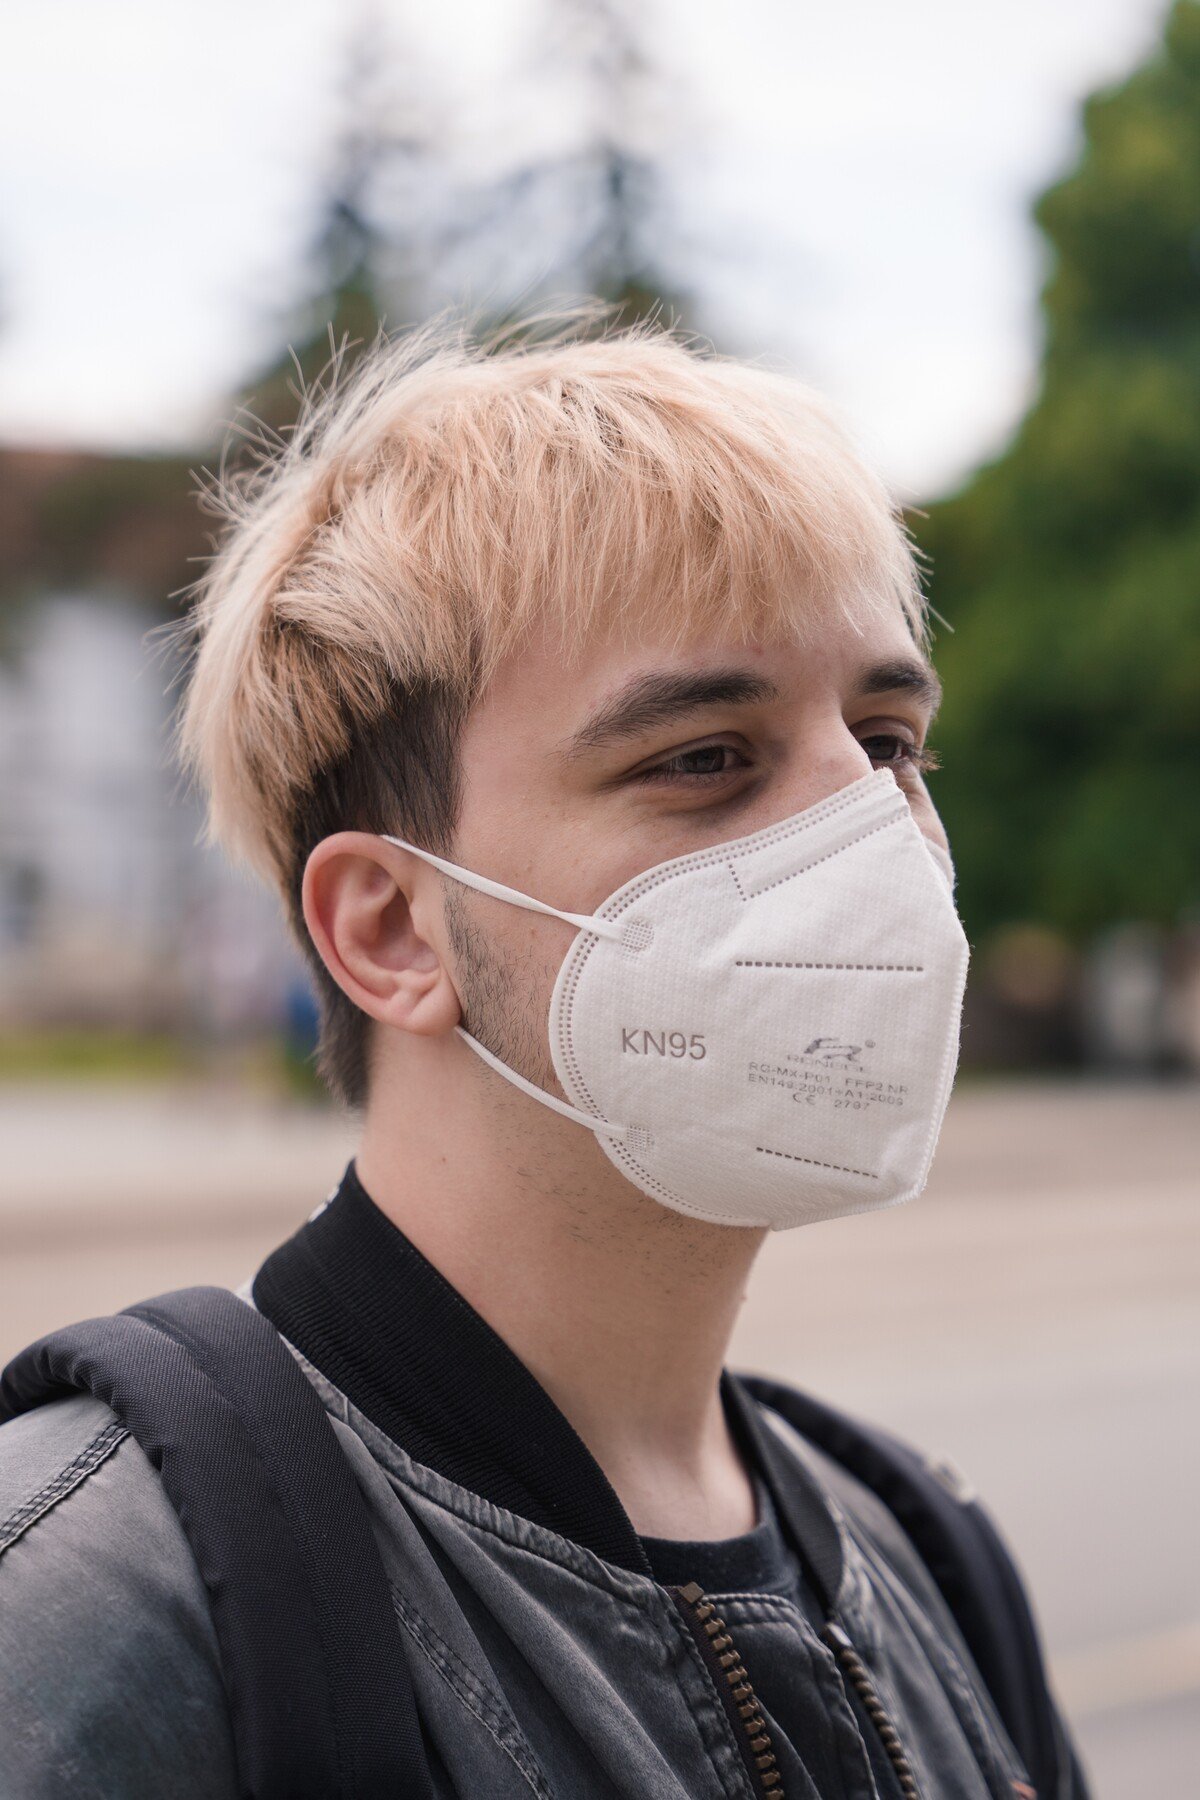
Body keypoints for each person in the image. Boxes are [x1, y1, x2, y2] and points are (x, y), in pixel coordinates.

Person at [0, 320, 1086, 1798]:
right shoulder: (100, 1608)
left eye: (889, 739)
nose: (878, 834)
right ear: (390, 929)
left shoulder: (930, 1569)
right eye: (705, 755)